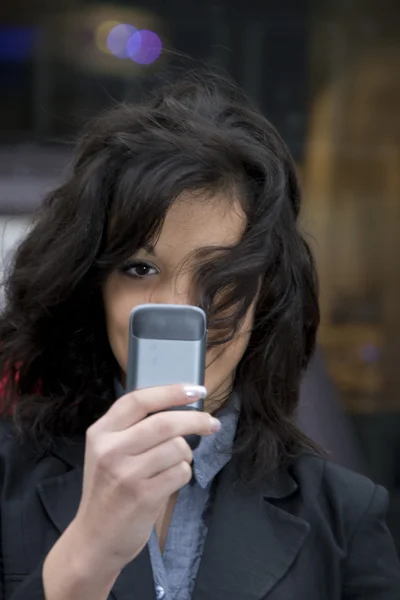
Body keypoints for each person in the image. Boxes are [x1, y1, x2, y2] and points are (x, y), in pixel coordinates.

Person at [0, 72, 398, 600]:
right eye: (140, 269)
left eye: (221, 277)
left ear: (266, 294)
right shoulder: (9, 478)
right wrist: (85, 559)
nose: (180, 307)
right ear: (91, 286)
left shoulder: (344, 514)